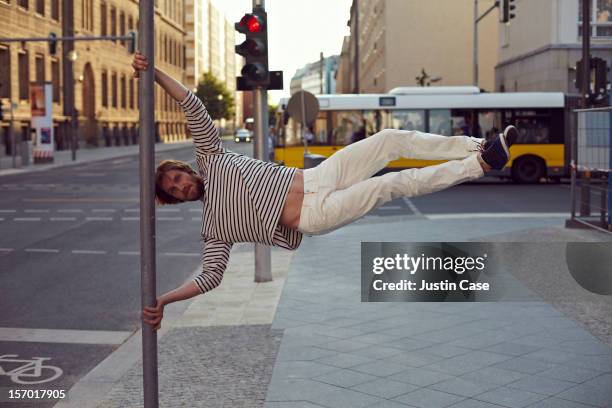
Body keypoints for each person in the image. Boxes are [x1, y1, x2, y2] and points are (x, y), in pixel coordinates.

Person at [133, 53, 518, 330]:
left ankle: (478, 148)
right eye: (174, 191)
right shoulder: (213, 228)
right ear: (176, 200)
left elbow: (192, 105)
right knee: (389, 184)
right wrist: (164, 300)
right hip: (313, 215)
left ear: (186, 171)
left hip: (316, 178)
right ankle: (477, 166)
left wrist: (154, 74)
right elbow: (210, 278)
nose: (181, 186)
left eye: (178, 179)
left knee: (388, 139)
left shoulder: (212, 157)